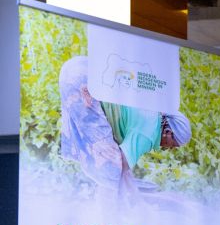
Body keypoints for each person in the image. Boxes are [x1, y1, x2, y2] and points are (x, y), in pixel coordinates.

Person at [59, 55, 191, 195]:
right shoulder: (150, 131)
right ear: (169, 132)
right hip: (82, 83)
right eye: (173, 144)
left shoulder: (153, 109)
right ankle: (106, 213)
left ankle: (95, 200)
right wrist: (136, 200)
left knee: (107, 158)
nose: (170, 148)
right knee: (110, 168)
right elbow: (122, 164)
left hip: (79, 67)